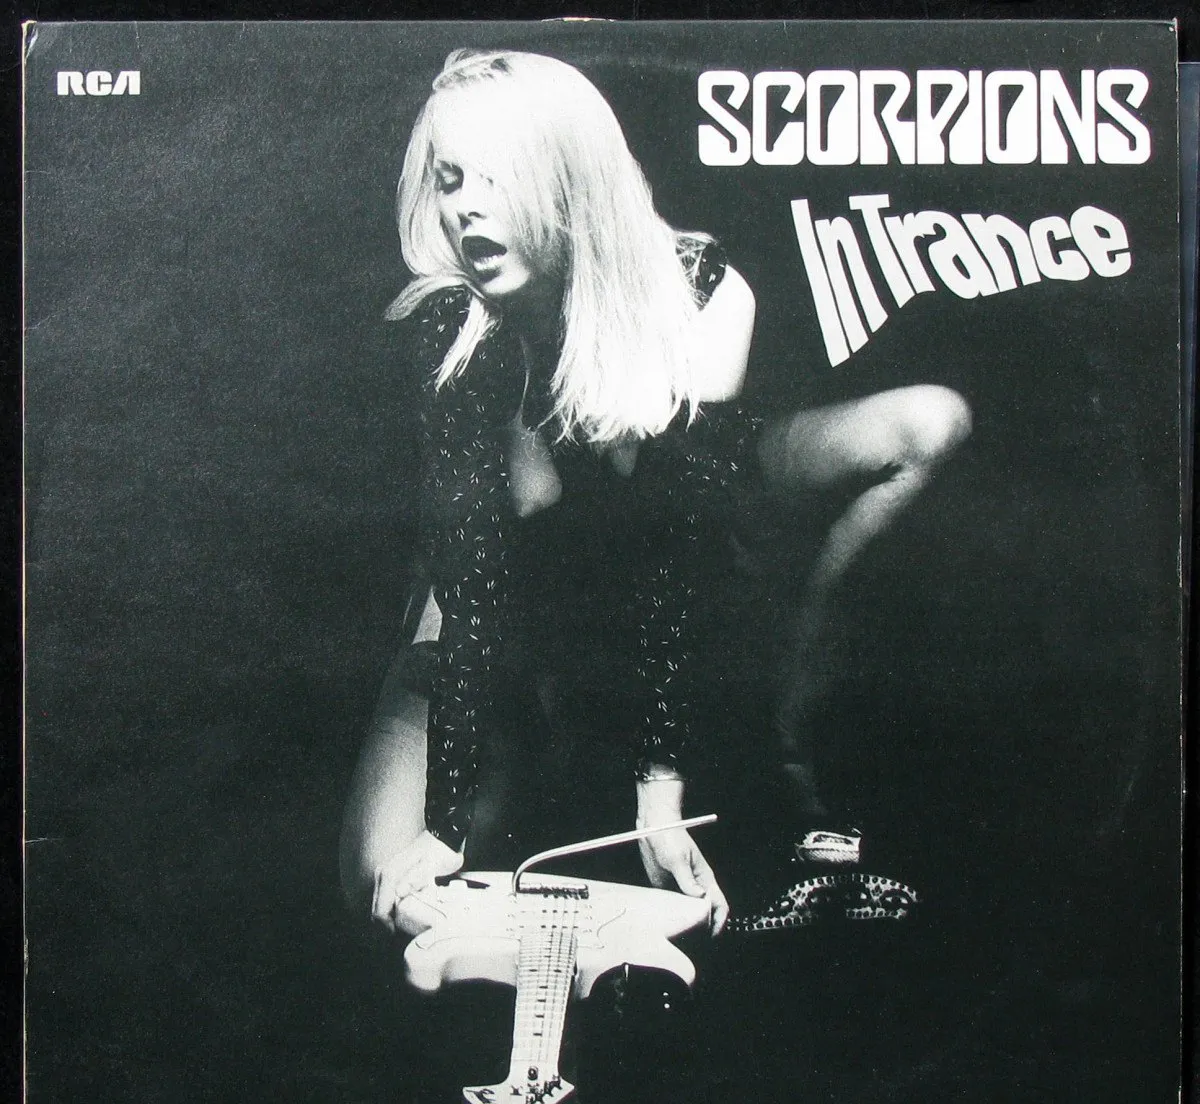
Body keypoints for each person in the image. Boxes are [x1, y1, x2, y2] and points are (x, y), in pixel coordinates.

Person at [339, 49, 970, 940]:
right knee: (385, 884)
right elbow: (474, 587)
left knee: (930, 422)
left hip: (686, 523)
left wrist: (658, 792)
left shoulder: (699, 289)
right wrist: (445, 824)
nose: (468, 206)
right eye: (452, 181)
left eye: (501, 176)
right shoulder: (453, 326)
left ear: (570, 180)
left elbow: (676, 551)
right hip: (501, 598)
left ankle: (798, 737)